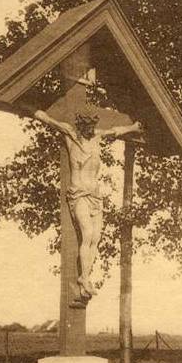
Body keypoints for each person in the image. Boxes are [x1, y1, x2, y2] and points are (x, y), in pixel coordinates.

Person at [34, 108, 142, 303]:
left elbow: (115, 130)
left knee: (97, 237)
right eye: (87, 126)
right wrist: (40, 114)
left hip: (95, 196)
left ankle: (85, 277)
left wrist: (133, 127)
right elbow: (51, 121)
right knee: (88, 234)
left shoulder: (97, 137)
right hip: (79, 194)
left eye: (93, 126)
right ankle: (84, 277)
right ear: (80, 126)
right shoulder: (71, 135)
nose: (91, 130)